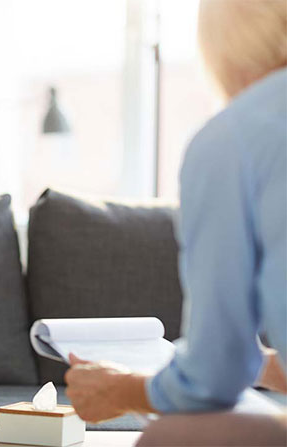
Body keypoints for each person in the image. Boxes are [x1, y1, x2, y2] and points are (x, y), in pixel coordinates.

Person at [64, 1, 287, 445]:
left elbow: (213, 377)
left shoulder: (232, 140)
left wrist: (122, 390)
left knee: (172, 436)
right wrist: (260, 364)